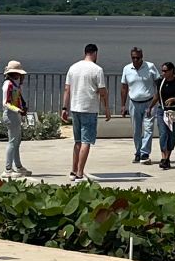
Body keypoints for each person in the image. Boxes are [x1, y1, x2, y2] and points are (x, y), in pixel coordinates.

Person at [62, 43, 110, 182]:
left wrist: (64, 108)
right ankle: (79, 173)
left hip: (75, 108)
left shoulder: (73, 67)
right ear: (95, 53)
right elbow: (103, 91)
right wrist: (106, 108)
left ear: (85, 52)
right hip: (89, 109)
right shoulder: (97, 70)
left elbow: (67, 89)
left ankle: (73, 170)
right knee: (86, 141)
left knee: (77, 141)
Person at [120, 47, 160, 164]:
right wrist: (123, 105)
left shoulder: (150, 66)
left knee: (148, 128)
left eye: (138, 58)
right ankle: (138, 151)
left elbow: (159, 84)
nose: (136, 60)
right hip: (134, 103)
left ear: (142, 57)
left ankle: (144, 153)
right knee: (136, 130)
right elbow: (124, 88)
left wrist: (157, 98)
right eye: (133, 58)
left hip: (149, 102)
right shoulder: (127, 69)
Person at [1, 60, 32, 177]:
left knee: (17, 141)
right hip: (10, 114)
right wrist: (18, 110)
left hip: (15, 115)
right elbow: (6, 103)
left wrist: (22, 107)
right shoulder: (8, 84)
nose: (19, 75)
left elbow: (18, 96)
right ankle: (8, 169)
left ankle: (18, 166)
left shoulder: (14, 84)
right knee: (12, 142)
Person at [153, 62, 175, 169]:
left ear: (171, 71)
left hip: (173, 111)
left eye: (165, 71)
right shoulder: (160, 82)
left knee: (171, 135)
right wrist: (150, 107)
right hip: (162, 110)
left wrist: (174, 99)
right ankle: (163, 158)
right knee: (163, 133)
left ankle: (167, 158)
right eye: (162, 71)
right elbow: (157, 95)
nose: (163, 73)